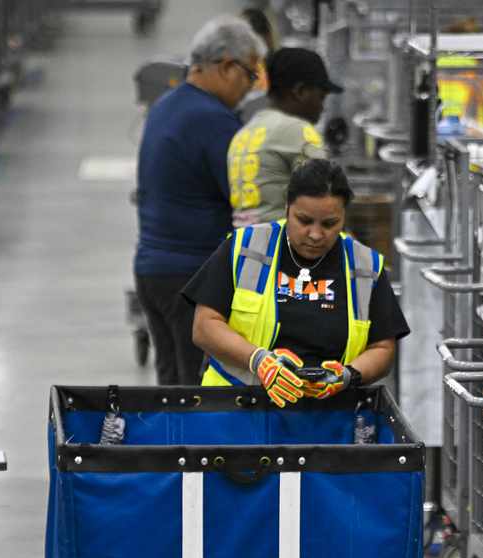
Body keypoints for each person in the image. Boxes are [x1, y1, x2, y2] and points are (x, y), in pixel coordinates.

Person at [186, 159, 410, 406]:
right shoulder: (245, 248)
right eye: (304, 221)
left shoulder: (365, 266)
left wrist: (347, 375)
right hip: (237, 414)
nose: (315, 234)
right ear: (287, 209)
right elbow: (205, 326)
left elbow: (382, 348)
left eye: (329, 224)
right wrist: (258, 360)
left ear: (344, 216)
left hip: (325, 422)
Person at [133, 16, 265, 386]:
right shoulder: (214, 122)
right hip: (191, 279)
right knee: (199, 396)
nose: (249, 87)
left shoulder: (165, 106)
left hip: (152, 272)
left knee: (171, 392)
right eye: (249, 75)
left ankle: (169, 447)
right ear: (226, 66)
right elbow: (244, 199)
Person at [227, 47, 341, 228]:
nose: (322, 107)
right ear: (300, 91)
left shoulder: (244, 134)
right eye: (320, 97)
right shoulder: (300, 131)